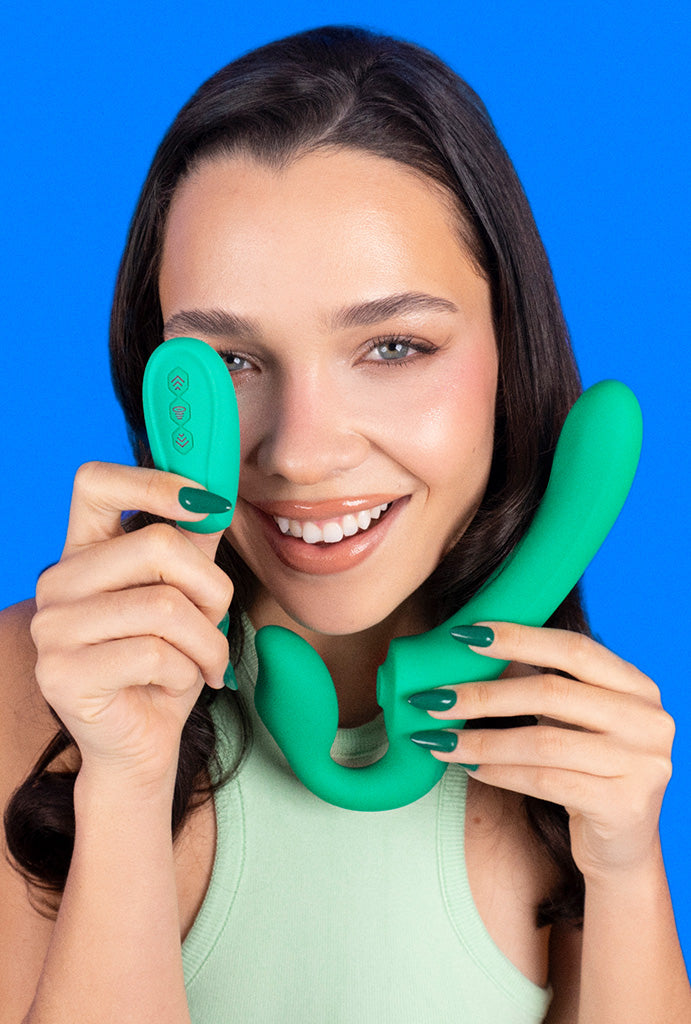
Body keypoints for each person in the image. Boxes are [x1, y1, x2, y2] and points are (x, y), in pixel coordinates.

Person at [1, 24, 688, 1023]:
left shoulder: (563, 751)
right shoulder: (28, 697)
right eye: (230, 361)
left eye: (394, 347)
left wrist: (625, 867)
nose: (300, 451)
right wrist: (124, 780)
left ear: (510, 350)